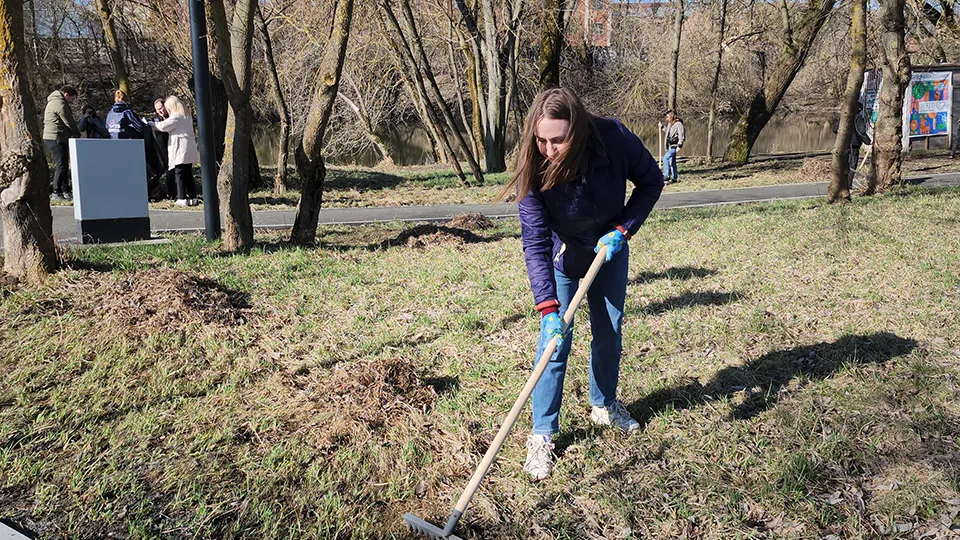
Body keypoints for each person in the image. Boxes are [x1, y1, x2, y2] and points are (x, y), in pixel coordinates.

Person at [500, 87, 664, 481]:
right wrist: (547, 306)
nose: (549, 149)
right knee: (554, 344)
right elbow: (535, 242)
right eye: (541, 139)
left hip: (609, 248)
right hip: (564, 256)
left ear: (580, 130)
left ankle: (604, 404)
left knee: (609, 330)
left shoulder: (614, 138)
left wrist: (624, 228)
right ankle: (542, 435)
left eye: (558, 140)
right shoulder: (533, 166)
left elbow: (651, 182)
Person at [149, 96, 200, 206]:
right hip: (189, 147)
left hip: (181, 148)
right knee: (188, 173)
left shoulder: (176, 117)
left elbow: (162, 126)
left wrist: (150, 123)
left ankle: (181, 198)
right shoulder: (186, 116)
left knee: (179, 172)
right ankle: (193, 197)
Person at [42, 84, 81, 201]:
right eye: (72, 98)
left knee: (63, 164)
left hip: (56, 136)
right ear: (66, 94)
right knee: (61, 165)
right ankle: (56, 191)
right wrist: (77, 133)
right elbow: (69, 121)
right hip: (55, 137)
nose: (73, 101)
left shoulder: (54, 101)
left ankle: (65, 191)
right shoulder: (60, 104)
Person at [149, 98, 175, 200]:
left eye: (160, 108)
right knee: (161, 173)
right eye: (157, 110)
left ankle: (174, 195)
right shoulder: (157, 120)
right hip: (161, 151)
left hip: (173, 149)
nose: (159, 111)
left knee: (173, 174)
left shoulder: (173, 117)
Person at [658, 110, 685, 184]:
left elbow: (681, 135)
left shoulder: (679, 124)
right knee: (672, 162)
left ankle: (666, 176)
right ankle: (674, 177)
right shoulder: (670, 124)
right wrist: (662, 127)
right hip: (670, 146)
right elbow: (668, 132)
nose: (666, 118)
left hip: (675, 146)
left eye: (667, 116)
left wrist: (680, 145)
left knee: (665, 158)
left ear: (671, 116)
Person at [849, 103, 872, 189]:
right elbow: (860, 132)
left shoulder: (845, 117)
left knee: (845, 165)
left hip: (844, 146)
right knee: (852, 165)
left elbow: (835, 128)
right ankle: (848, 185)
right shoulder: (858, 117)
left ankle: (843, 184)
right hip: (853, 146)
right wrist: (868, 141)